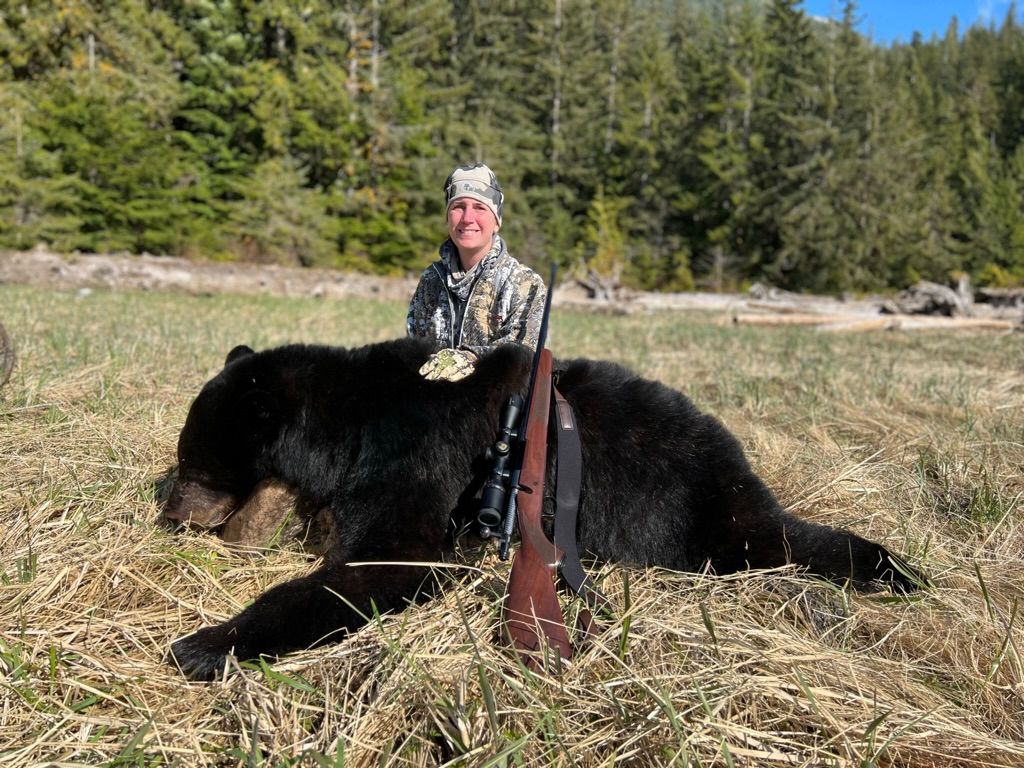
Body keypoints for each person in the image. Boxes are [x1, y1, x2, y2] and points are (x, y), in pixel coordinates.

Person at [407, 163, 547, 381]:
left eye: (480, 208)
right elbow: (414, 350)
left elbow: (523, 354)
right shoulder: (431, 280)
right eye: (458, 206)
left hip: (497, 409)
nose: (467, 218)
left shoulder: (524, 283)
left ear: (497, 221)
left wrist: (470, 357)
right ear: (447, 217)